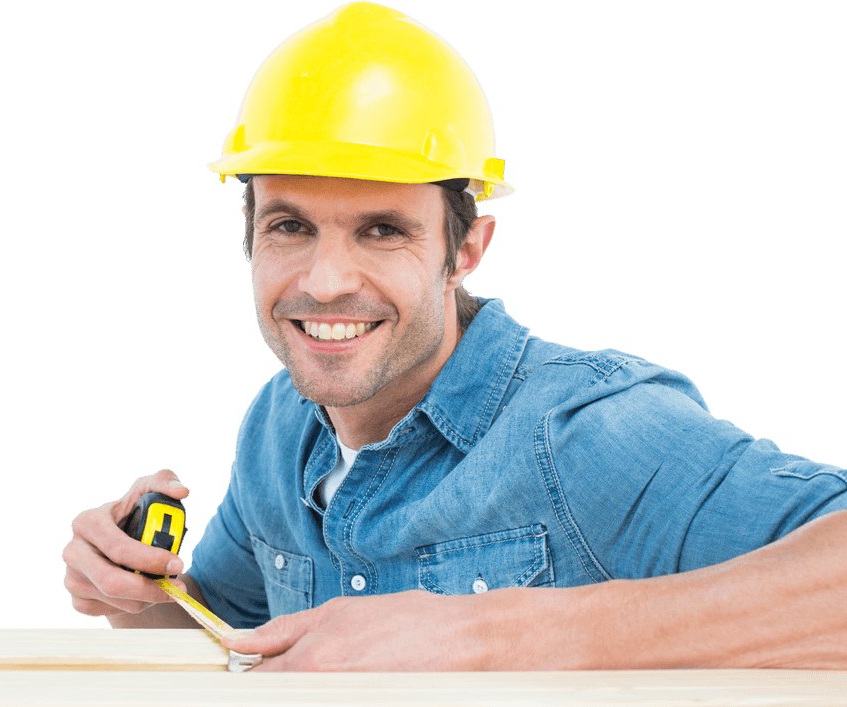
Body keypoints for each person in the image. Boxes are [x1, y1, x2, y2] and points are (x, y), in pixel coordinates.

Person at [61, 2, 846, 671]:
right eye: (291, 226)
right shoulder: (277, 428)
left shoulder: (584, 432)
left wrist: (478, 634)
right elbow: (243, 646)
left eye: (381, 231)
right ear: (250, 237)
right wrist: (139, 597)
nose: (327, 281)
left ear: (465, 250)